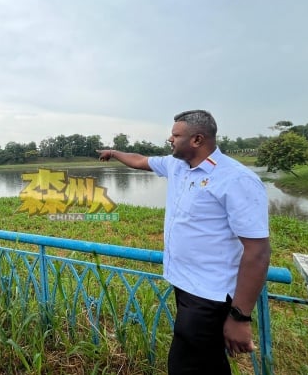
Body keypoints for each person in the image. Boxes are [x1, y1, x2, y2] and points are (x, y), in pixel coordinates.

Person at [98, 110, 270, 375]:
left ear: (197, 140)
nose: (170, 138)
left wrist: (240, 316)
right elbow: (140, 160)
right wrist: (114, 152)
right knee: (207, 363)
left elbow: (257, 252)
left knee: (186, 366)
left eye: (176, 135)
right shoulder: (176, 165)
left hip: (210, 294)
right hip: (184, 284)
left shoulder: (236, 179)